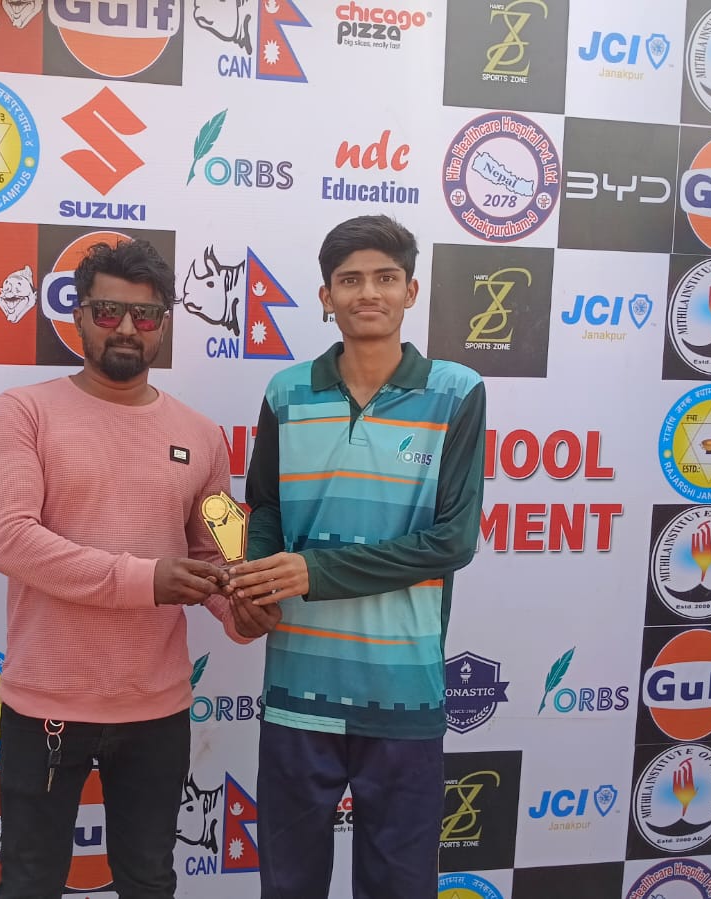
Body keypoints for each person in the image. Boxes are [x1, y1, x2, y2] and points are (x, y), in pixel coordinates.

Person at [0, 239, 266, 899]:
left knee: (149, 879)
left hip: (157, 707)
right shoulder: (23, 412)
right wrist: (145, 580)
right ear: (78, 316)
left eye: (145, 314)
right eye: (108, 312)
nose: (127, 327)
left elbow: (218, 553)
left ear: (164, 323)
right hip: (47, 705)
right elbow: (10, 541)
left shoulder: (203, 435)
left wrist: (242, 610)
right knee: (29, 882)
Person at [226, 215, 486, 899]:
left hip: (404, 692)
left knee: (399, 886)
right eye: (349, 280)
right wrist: (254, 585)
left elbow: (452, 541)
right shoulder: (286, 392)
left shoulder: (456, 392)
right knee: (288, 886)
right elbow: (265, 508)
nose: (367, 293)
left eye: (384, 278)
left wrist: (314, 572)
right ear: (326, 296)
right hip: (296, 691)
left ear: (410, 291)